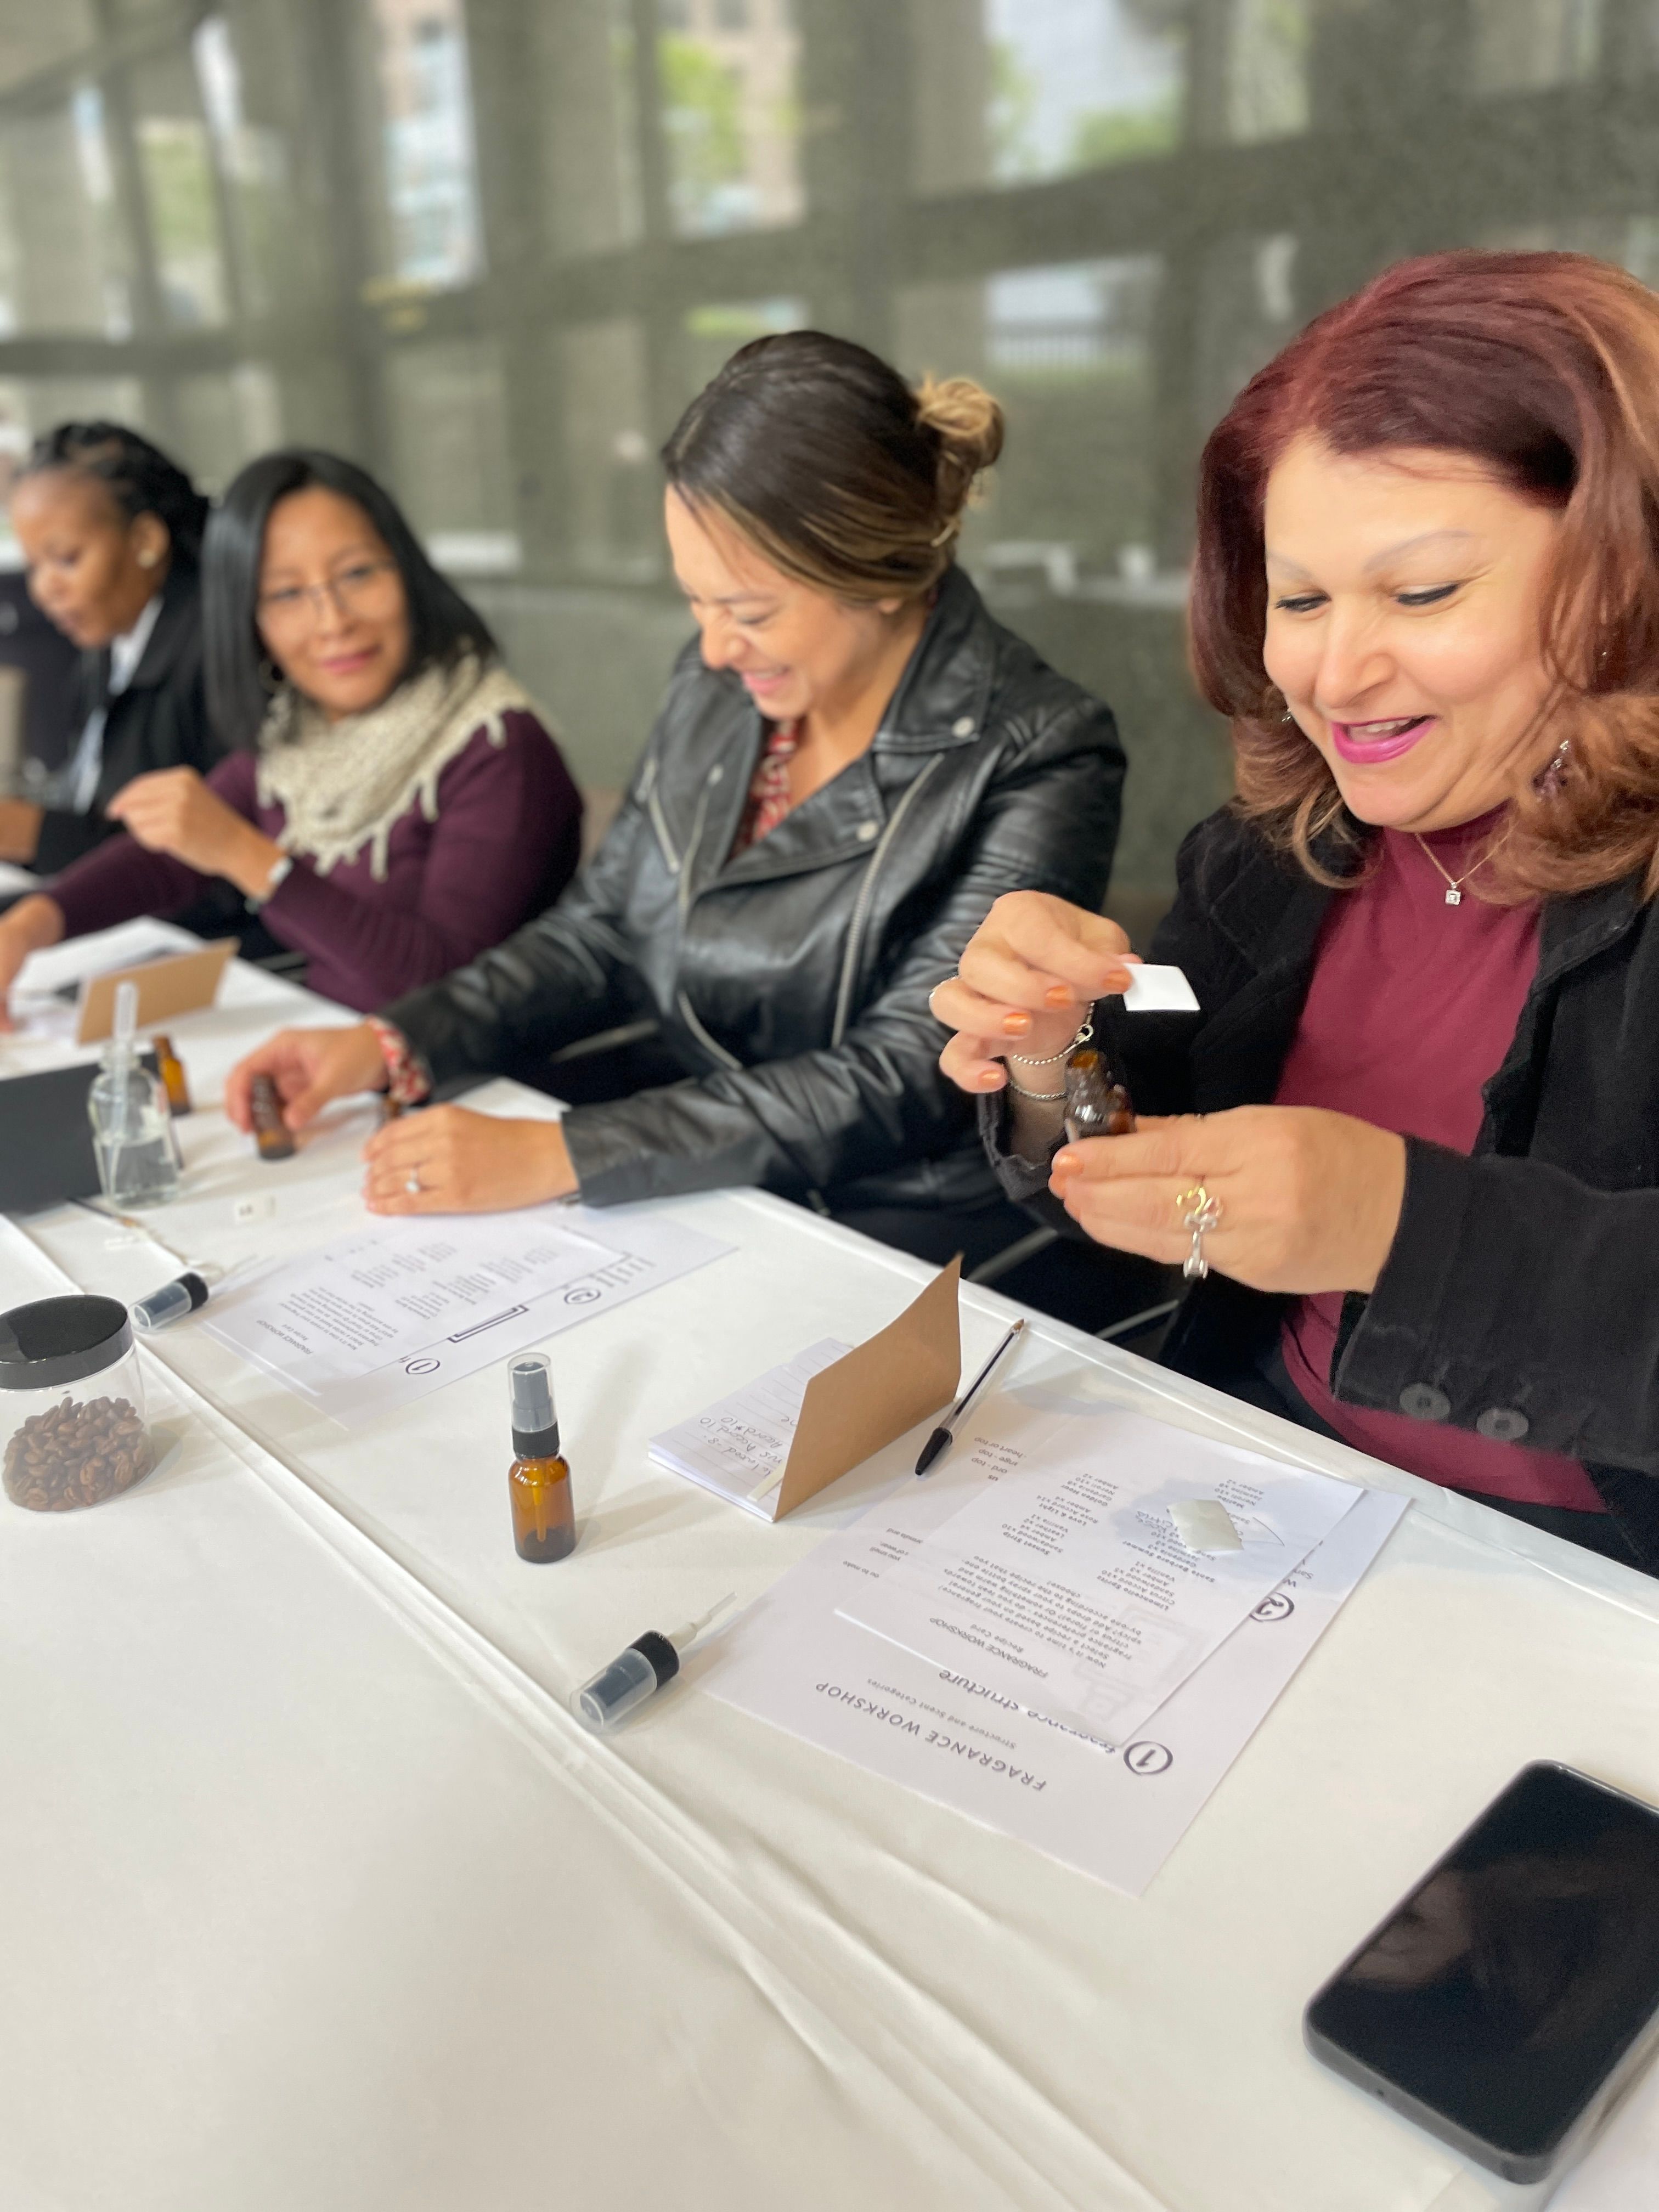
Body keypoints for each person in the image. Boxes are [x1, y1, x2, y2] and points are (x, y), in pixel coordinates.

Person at [932, 249, 1659, 1575]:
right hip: (1266, 1474)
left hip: (1586, 1576)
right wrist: (1053, 1046)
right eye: (1301, 599)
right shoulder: (1289, 851)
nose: (1334, 672)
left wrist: (1396, 1222)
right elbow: (1148, 1064)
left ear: (1624, 577)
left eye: (1423, 593)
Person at [222, 332, 1125, 1261]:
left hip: (894, 1227)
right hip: (698, 1186)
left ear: (878, 575)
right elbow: (601, 927)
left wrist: (567, 1152)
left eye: (748, 611)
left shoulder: (1040, 748)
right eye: (695, 603)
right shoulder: (717, 690)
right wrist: (392, 1041)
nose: (712, 649)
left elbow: (899, 1075)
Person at [0, 449, 583, 1017]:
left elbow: (438, 983)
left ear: (407, 571)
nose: (333, 621)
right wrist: (32, 924)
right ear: (251, 622)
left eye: (357, 574)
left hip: (476, 1093)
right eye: (286, 594)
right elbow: (168, 857)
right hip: (327, 1057)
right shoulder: (299, 729)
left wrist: (250, 858)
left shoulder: (497, 745)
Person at [1, 422, 220, 875]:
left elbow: (199, 866)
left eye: (66, 559)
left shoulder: (211, 649)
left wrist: (24, 832)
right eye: (34, 566)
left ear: (145, 541)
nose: (45, 591)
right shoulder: (108, 645)